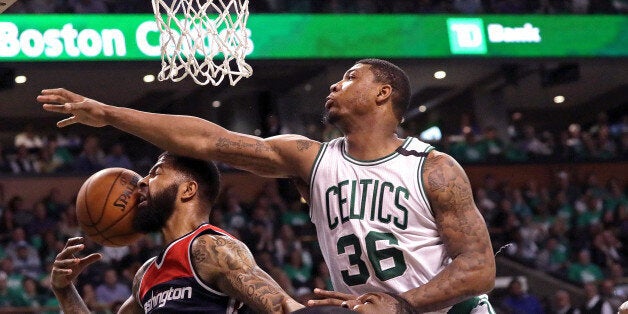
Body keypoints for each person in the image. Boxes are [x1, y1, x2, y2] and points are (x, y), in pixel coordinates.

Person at [39, 58, 496, 313]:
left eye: (350, 78)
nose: (334, 85)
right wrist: (110, 115)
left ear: (383, 94)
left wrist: (403, 306)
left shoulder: (433, 167)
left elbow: (478, 267)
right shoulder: (310, 159)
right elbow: (207, 139)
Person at [49, 152, 303, 313]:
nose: (142, 182)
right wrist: (64, 289)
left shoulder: (211, 249)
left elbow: (282, 306)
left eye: (156, 172)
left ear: (187, 190)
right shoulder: (146, 274)